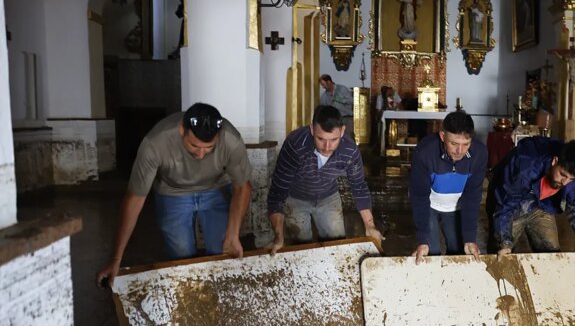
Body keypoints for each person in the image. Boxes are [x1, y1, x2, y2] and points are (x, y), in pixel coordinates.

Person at [96, 102, 253, 287]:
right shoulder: (155, 143)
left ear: (218, 136)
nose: (201, 154)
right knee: (181, 256)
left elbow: (242, 187)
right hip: (173, 192)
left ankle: (219, 299)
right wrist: (116, 258)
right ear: (182, 130)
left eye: (209, 147)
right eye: (194, 146)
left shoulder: (230, 139)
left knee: (222, 251)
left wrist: (234, 234)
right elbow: (135, 199)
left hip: (216, 188)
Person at [265, 105, 383, 252]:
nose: (327, 147)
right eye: (321, 139)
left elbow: (359, 187)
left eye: (333, 140)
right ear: (312, 129)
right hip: (295, 199)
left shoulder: (350, 150)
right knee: (300, 249)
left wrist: (370, 226)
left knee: (336, 247)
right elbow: (278, 191)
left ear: (342, 131)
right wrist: (278, 236)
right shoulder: (295, 144)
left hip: (328, 198)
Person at [487, 137, 575, 256]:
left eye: (571, 179)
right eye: (562, 175)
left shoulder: (569, 169)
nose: (564, 183)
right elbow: (505, 205)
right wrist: (504, 242)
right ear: (555, 161)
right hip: (507, 204)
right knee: (502, 255)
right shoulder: (525, 167)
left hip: (540, 205)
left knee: (551, 255)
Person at [410, 112, 488, 264]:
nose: (460, 151)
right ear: (442, 136)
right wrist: (422, 239)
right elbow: (419, 196)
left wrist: (470, 238)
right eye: (453, 144)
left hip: (456, 207)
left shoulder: (480, 153)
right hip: (429, 205)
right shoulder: (424, 152)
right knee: (430, 254)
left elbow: (472, 196)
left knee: (459, 253)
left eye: (466, 144)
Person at [319, 74, 355, 141]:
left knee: (349, 138)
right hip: (335, 120)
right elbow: (322, 109)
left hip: (347, 118)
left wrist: (341, 100)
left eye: (323, 84)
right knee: (337, 139)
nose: (323, 87)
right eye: (322, 85)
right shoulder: (324, 96)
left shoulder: (342, 89)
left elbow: (351, 101)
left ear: (329, 82)